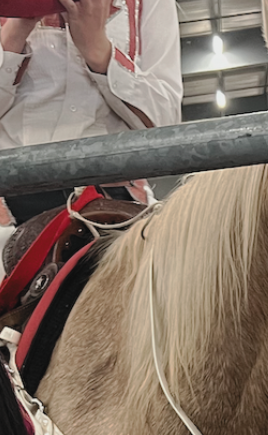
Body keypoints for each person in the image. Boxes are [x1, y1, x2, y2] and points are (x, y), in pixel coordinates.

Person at [0, 0, 182, 253]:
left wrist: (100, 52)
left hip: (117, 206)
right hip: (7, 211)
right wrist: (15, 32)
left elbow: (165, 123)